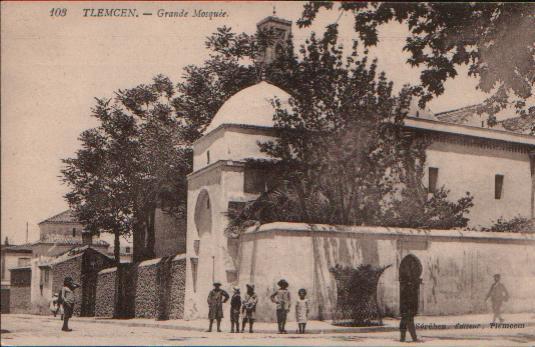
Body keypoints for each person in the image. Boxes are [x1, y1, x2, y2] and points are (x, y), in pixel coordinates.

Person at [399, 277, 420, 342]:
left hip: (406, 308)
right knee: (408, 319)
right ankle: (413, 338)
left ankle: (403, 338)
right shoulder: (409, 288)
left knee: (405, 320)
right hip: (407, 307)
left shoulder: (405, 287)